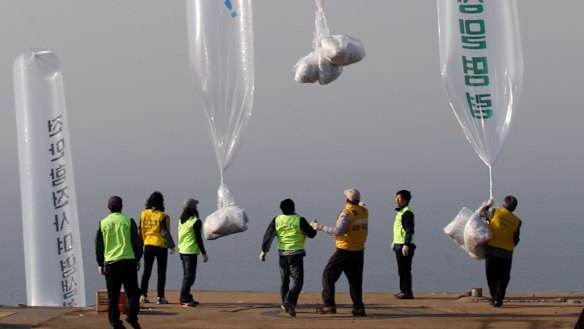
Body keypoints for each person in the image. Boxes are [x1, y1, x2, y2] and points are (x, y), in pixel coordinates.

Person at [311, 188, 368, 317]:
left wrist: (319, 227)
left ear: (347, 199)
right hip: (359, 251)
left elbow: (338, 231)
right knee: (355, 281)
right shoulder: (364, 211)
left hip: (344, 250)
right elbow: (360, 212)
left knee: (328, 275)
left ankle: (329, 305)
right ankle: (358, 308)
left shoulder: (346, 213)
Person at [259, 199, 317, 317]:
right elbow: (311, 234)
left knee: (284, 280)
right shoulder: (299, 220)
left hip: (282, 255)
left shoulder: (277, 220)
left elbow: (269, 236)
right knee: (298, 281)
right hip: (296, 254)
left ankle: (287, 304)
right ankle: (288, 302)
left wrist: (264, 251)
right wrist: (313, 226)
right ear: (294, 208)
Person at [95, 196, 143, 329]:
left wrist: (100, 262)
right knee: (133, 292)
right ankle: (132, 316)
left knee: (113, 295)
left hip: (111, 264)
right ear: (122, 206)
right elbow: (136, 242)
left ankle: (115, 322)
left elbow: (99, 245)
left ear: (108, 207)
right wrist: (138, 258)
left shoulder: (103, 223)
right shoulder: (128, 221)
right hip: (128, 262)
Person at [480, 195, 521, 307]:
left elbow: (482, 213)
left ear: (503, 204)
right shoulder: (517, 221)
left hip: (492, 250)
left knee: (491, 275)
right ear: (514, 208)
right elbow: (516, 239)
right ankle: (498, 299)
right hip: (507, 253)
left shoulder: (495, 212)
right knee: (503, 277)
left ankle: (495, 298)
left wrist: (488, 205)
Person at [139, 191, 175, 304]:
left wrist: (142, 243)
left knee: (146, 271)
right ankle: (160, 297)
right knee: (161, 272)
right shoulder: (163, 216)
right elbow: (165, 232)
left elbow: (141, 230)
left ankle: (142, 295)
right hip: (160, 245)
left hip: (148, 244)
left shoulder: (144, 214)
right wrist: (171, 246)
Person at [178, 198, 209, 307]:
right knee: (189, 276)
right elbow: (198, 238)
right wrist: (204, 253)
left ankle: (187, 296)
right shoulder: (195, 221)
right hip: (190, 252)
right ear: (194, 208)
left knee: (187, 276)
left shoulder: (182, 220)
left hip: (182, 251)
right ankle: (184, 298)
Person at [392, 189, 416, 300]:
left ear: (406, 200)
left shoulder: (407, 212)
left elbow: (409, 230)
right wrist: (394, 242)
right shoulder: (401, 212)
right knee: (401, 269)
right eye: (396, 197)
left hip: (404, 246)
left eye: (399, 198)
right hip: (399, 244)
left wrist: (406, 244)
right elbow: (399, 229)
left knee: (405, 269)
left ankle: (407, 292)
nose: (397, 200)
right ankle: (403, 291)